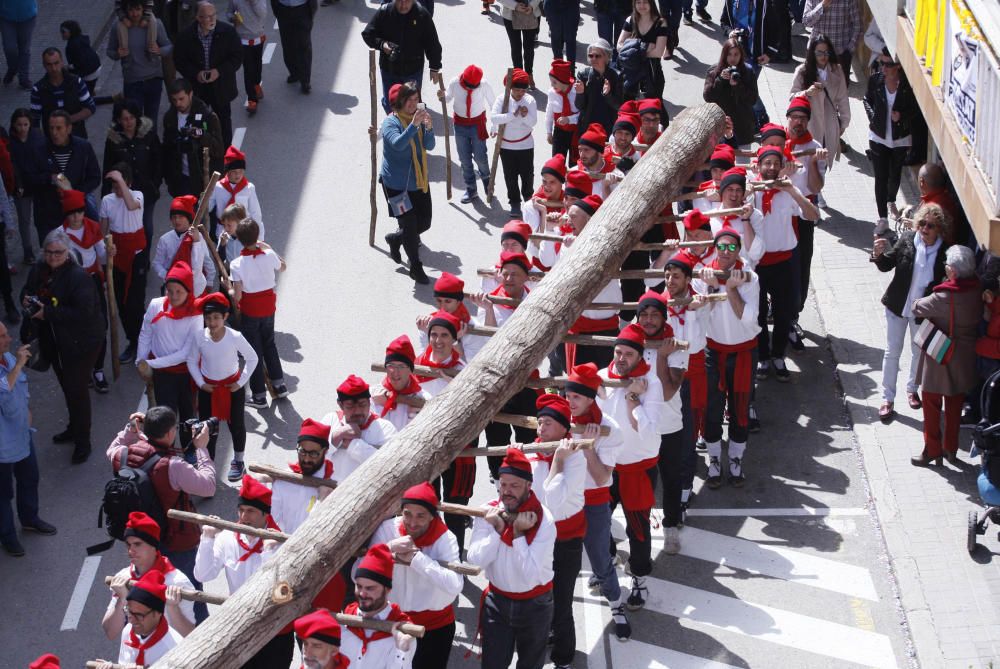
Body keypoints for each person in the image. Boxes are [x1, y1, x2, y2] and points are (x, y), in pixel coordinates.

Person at [106, 405, 216, 622]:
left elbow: (114, 446)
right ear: (169, 433)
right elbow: (208, 486)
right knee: (191, 595)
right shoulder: (173, 466)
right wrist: (201, 448)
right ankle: (200, 632)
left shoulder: (122, 455)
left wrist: (130, 429)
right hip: (175, 542)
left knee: (143, 590)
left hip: (141, 541)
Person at [467, 448, 556, 669]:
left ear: (528, 485)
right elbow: (475, 560)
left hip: (535, 604)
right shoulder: (488, 512)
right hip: (497, 602)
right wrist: (497, 532)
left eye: (514, 486)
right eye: (503, 484)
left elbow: (530, 573)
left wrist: (516, 534)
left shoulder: (544, 521)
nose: (506, 492)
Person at [21, 228, 104, 463]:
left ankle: (83, 441)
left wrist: (47, 312)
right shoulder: (39, 269)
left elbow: (83, 313)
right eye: (48, 252)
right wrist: (27, 300)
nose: (53, 257)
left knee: (77, 391)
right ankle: (74, 428)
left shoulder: (78, 277)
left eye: (58, 252)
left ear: (67, 253)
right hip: (56, 342)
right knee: (67, 387)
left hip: (81, 343)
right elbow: (26, 291)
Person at [563, 363, 630, 640]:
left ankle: (616, 605)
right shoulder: (559, 417)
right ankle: (557, 620)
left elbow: (602, 478)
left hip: (593, 500)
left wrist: (588, 448)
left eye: (576, 396)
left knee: (601, 557)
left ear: (591, 398)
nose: (569, 401)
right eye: (568, 395)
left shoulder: (610, 430)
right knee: (559, 564)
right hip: (563, 499)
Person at [369, 482, 463, 669]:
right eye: (407, 514)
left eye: (421, 516)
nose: (412, 522)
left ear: (432, 516)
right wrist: (387, 550)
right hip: (392, 622)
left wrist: (417, 559)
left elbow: (455, 585)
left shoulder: (446, 538)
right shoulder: (388, 530)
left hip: (435, 627)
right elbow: (359, 573)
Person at [871, 204, 950, 422]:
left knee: (918, 353)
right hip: (897, 305)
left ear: (939, 229)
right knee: (892, 352)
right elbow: (887, 264)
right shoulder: (907, 238)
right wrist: (878, 254)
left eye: (930, 225)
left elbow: (945, 285)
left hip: (923, 313)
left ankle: (912, 389)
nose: (924, 228)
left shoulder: (945, 253)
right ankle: (887, 398)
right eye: (922, 223)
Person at [695, 227, 761, 488]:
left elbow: (747, 319)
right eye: (721, 247)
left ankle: (735, 460)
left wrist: (731, 289)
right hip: (713, 351)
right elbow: (699, 320)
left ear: (738, 251)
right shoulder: (703, 275)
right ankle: (714, 460)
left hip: (744, 351)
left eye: (731, 247)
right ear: (715, 249)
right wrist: (712, 290)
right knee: (711, 408)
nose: (725, 252)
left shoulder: (750, 278)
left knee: (740, 408)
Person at [523, 395, 585, 669]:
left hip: (566, 540)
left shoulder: (576, 456)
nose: (541, 430)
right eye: (539, 424)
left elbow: (552, 501)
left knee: (561, 602)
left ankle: (564, 658)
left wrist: (558, 461)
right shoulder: (530, 454)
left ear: (563, 428)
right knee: (537, 598)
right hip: (536, 539)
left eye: (547, 424)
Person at [194, 476, 284, 654]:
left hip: (271, 624)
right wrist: (208, 537)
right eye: (241, 510)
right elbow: (202, 575)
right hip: (236, 620)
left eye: (250, 511)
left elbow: (279, 592)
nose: (243, 517)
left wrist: (268, 553)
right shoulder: (227, 537)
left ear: (266, 514)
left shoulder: (279, 541)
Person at [751, 145, 819, 381]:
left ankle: (778, 355)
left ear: (781, 167)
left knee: (783, 314)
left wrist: (792, 190)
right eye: (766, 163)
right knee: (758, 315)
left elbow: (812, 215)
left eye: (775, 163)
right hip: (757, 264)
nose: (771, 168)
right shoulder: (751, 191)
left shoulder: (788, 191)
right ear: (758, 166)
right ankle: (762, 357)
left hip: (783, 263)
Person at [186, 292, 257, 477]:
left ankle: (239, 461)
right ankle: (208, 467)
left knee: (237, 426)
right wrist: (201, 384)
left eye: (217, 317)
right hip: (209, 390)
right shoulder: (199, 336)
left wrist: (240, 382)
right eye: (208, 318)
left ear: (225, 316)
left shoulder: (235, 336)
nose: (212, 322)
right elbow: (192, 361)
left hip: (231, 388)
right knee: (207, 430)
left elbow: (252, 358)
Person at [0, 322, 56, 557]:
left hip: (21, 434)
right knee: (3, 494)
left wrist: (28, 409)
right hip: (2, 444)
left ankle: (30, 518)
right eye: (2, 336)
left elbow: (21, 388)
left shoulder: (9, 360)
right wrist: (20, 363)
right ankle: (8, 537)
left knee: (29, 478)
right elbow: (4, 389)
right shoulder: (14, 363)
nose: (9, 338)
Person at [102, 512, 196, 638]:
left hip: (170, 655)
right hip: (133, 651)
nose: (130, 551)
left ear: (153, 546)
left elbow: (189, 636)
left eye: (137, 544)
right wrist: (122, 600)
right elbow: (110, 633)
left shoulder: (177, 582)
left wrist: (172, 608)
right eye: (128, 545)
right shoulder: (124, 578)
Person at [229, 217, 288, 407]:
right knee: (270, 344)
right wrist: (267, 247)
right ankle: (279, 384)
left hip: (251, 311)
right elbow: (283, 266)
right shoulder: (269, 255)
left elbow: (237, 295)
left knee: (254, 352)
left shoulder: (236, 264)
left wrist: (228, 288)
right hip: (269, 307)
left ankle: (259, 395)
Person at [380, 82, 436, 284]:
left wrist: (428, 127)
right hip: (397, 186)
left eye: (416, 99)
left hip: (418, 181)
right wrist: (414, 126)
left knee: (425, 222)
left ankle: (396, 239)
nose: (414, 104)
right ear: (399, 102)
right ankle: (415, 266)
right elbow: (398, 143)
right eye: (409, 100)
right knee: (410, 227)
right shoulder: (390, 123)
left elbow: (429, 145)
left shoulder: (418, 120)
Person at [137, 261, 204, 422]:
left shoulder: (196, 314)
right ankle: (166, 447)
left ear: (189, 291)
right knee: (165, 419)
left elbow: (185, 354)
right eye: (170, 291)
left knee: (188, 417)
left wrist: (152, 364)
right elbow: (146, 332)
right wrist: (140, 360)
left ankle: (189, 447)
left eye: (179, 292)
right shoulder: (156, 305)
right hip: (162, 374)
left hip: (186, 372)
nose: (173, 296)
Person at [173, 2, 243, 146]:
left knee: (223, 120)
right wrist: (196, 73)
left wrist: (219, 71)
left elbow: (237, 57)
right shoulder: (186, 36)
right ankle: (203, 151)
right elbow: (179, 61)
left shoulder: (228, 33)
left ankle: (225, 152)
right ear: (198, 17)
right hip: (198, 88)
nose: (212, 20)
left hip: (221, 87)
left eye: (214, 16)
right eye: (207, 17)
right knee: (199, 121)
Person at [61, 188, 110, 393]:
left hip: (93, 282)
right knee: (78, 328)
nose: (76, 217)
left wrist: (110, 253)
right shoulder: (60, 234)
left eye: (79, 212)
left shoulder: (92, 228)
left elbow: (103, 255)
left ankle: (98, 369)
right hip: (71, 287)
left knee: (101, 326)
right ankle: (85, 368)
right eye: (72, 213)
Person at [864, 52, 918, 232]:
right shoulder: (876, 81)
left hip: (900, 138)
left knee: (895, 175)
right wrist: (873, 118)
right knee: (880, 177)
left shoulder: (907, 86)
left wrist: (901, 117)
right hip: (878, 136)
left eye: (887, 65)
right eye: (881, 64)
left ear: (898, 67)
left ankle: (891, 201)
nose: (883, 68)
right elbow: (867, 100)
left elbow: (915, 110)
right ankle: (882, 218)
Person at [26, 110, 101, 237]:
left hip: (76, 214)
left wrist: (75, 193)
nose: (54, 133)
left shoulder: (83, 147)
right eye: (51, 128)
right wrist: (50, 178)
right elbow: (30, 178)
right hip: (48, 215)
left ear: (69, 128)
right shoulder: (38, 149)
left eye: (59, 128)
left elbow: (95, 177)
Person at [102, 163, 149, 365]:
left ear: (128, 183)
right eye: (114, 187)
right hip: (117, 255)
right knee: (120, 302)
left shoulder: (137, 195)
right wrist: (106, 247)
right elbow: (103, 230)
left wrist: (122, 181)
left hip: (137, 255)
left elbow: (131, 206)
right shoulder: (107, 201)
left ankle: (142, 341)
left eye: (120, 185)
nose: (117, 191)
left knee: (135, 303)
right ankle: (132, 340)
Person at [342, 544, 417, 667]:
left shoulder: (403, 629)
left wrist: (401, 649)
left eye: (370, 588)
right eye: (359, 586)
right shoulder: (346, 618)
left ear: (387, 590)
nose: (362, 594)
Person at [362, 0, 444, 113]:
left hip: (413, 71)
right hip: (389, 69)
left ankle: (411, 127)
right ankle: (394, 127)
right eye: (400, 1)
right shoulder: (385, 12)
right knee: (390, 105)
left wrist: (434, 67)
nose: (403, 5)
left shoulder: (422, 15)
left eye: (407, 2)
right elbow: (368, 34)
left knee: (412, 105)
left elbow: (432, 43)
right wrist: (382, 44)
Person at [102, 100, 162, 250]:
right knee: (125, 228)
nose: (128, 122)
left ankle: (144, 260)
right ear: (118, 120)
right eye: (124, 119)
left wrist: (155, 183)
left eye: (131, 118)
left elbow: (159, 160)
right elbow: (108, 166)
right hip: (122, 192)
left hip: (147, 190)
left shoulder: (149, 135)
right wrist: (107, 191)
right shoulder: (113, 140)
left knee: (146, 227)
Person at [321, 375, 398, 485]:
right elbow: (312, 459)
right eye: (350, 406)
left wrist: (354, 445)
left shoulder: (385, 429)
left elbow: (388, 467)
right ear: (340, 405)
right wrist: (336, 437)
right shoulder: (330, 420)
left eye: (362, 404)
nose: (357, 411)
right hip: (327, 491)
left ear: (369, 402)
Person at [107, 0, 173, 127]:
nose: (134, 14)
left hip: (153, 79)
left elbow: (168, 46)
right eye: (131, 10)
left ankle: (152, 146)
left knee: (151, 121)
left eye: (137, 9)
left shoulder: (155, 24)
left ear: (144, 9)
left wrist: (159, 50)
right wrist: (117, 54)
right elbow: (110, 51)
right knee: (135, 122)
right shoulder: (118, 27)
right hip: (132, 82)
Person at [102, 571, 186, 666]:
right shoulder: (128, 631)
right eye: (129, 612)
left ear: (158, 613)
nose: (131, 620)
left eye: (138, 615)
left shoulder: (175, 646)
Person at [789, 35, 850, 167]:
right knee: (806, 165)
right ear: (812, 53)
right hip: (808, 125)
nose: (823, 56)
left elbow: (843, 98)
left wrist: (844, 123)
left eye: (826, 52)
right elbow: (792, 97)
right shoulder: (802, 71)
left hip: (829, 125)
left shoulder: (837, 70)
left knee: (823, 165)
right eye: (819, 53)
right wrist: (807, 93)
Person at [269, 418, 334, 534]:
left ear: (325, 451)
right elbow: (271, 518)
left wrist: (322, 501)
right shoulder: (284, 478)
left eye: (314, 454)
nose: (307, 459)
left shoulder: (334, 482)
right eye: (302, 452)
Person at [162, 77, 224, 198]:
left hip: (203, 179)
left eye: (181, 99)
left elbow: (219, 149)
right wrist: (170, 179)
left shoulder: (207, 116)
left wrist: (201, 136)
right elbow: (167, 150)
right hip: (181, 181)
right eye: (174, 100)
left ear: (190, 94)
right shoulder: (170, 118)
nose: (178, 103)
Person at [441, 65, 494, 205]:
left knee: (481, 157)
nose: (470, 89)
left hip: (478, 125)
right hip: (460, 125)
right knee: (464, 159)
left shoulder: (484, 85)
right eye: (468, 86)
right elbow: (447, 98)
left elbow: (493, 104)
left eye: (473, 87)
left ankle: (488, 183)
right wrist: (442, 96)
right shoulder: (454, 83)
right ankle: (471, 188)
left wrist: (495, 126)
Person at [490, 68, 536, 219]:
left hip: (525, 145)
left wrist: (524, 116)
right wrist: (512, 115)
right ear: (510, 88)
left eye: (523, 90)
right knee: (510, 176)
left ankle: (529, 199)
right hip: (506, 145)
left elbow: (533, 122)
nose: (520, 93)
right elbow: (494, 118)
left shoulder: (530, 101)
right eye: (517, 90)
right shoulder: (501, 99)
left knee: (527, 174)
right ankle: (514, 202)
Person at [151, 194, 215, 297]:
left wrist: (210, 281)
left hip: (195, 286)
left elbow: (206, 261)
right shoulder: (165, 239)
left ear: (189, 218)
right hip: (172, 287)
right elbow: (157, 263)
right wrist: (167, 275)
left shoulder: (197, 237)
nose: (177, 220)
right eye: (174, 217)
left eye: (181, 217)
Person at [29, 48, 95, 139]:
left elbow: (90, 108)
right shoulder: (38, 89)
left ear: (62, 62)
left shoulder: (77, 82)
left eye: (56, 63)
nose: (54, 68)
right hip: (52, 140)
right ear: (44, 65)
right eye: (49, 65)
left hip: (77, 137)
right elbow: (35, 120)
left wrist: (67, 120)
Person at [703, 38, 758, 146]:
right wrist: (720, 80)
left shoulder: (748, 71)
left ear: (741, 55)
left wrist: (738, 86)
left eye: (736, 54)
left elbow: (753, 99)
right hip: (720, 125)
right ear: (724, 54)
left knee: (742, 161)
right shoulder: (714, 70)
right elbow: (708, 97)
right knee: (721, 160)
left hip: (742, 126)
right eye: (729, 54)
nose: (733, 58)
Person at [8, 108, 44, 263]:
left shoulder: (38, 137)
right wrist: (18, 184)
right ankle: (28, 250)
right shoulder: (10, 143)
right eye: (19, 125)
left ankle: (45, 247)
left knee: (42, 217)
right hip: (21, 187)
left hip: (38, 182)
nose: (22, 128)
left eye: (25, 124)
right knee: (24, 220)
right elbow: (12, 166)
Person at [802, 0, 860, 83]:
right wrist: (822, 5)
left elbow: (857, 26)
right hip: (816, 53)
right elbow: (806, 21)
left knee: (840, 90)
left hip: (840, 54)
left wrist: (849, 49)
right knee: (812, 87)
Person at [617, 0, 666, 98]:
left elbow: (658, 52)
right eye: (638, 2)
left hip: (652, 74)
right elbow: (619, 46)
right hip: (631, 73)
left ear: (651, 3)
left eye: (645, 2)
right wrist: (645, 47)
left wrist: (633, 49)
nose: (642, 5)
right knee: (629, 109)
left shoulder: (660, 22)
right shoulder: (630, 20)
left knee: (653, 110)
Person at [574, 40, 623, 137]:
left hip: (607, 126)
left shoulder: (616, 76)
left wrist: (608, 94)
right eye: (591, 56)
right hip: (587, 126)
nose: (593, 59)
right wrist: (580, 94)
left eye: (598, 56)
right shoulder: (583, 75)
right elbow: (579, 106)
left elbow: (618, 106)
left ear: (607, 57)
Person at [227, 0, 268, 113]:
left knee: (257, 66)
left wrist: (253, 2)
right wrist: (232, 18)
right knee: (248, 69)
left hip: (258, 38)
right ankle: (252, 99)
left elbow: (263, 14)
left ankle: (257, 84)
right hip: (243, 40)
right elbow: (228, 13)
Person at [271, 0, 317, 95]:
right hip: (283, 9)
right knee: (287, 44)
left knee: (304, 46)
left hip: (302, 10)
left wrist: (311, 13)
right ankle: (294, 73)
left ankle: (305, 81)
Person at [497, 0, 541, 82]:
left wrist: (532, 5)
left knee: (529, 47)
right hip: (510, 15)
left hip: (531, 12)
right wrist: (515, 5)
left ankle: (529, 74)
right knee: (515, 46)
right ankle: (519, 76)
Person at [545, 60, 578, 164]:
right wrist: (549, 132)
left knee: (575, 163)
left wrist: (569, 119)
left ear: (563, 80)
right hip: (559, 132)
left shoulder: (576, 91)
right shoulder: (552, 93)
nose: (552, 85)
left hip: (575, 132)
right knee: (557, 162)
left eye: (554, 82)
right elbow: (549, 113)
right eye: (551, 81)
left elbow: (583, 113)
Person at [0, 0, 36, 89]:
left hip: (27, 16)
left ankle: (24, 78)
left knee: (24, 49)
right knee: (9, 48)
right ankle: (13, 68)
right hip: (6, 17)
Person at [60, 20, 102, 96]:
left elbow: (77, 64)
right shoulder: (82, 38)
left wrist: (68, 67)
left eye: (63, 31)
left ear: (71, 32)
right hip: (97, 67)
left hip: (89, 73)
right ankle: (90, 89)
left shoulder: (71, 46)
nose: (61, 34)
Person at [545, 0, 580, 64]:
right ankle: (559, 68)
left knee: (570, 39)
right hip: (553, 5)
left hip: (571, 6)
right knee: (556, 38)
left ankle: (570, 70)